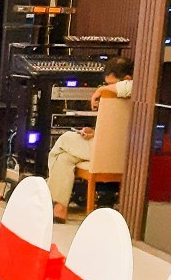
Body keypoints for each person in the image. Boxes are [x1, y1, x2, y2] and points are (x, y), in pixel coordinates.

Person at [46, 56, 133, 220]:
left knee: (64, 140)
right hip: (105, 147)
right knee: (64, 157)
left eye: (110, 84)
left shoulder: (135, 89)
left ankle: (50, 196)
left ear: (127, 78)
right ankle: (59, 208)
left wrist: (100, 91)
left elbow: (129, 86)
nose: (107, 88)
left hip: (112, 154)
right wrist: (94, 132)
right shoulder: (121, 95)